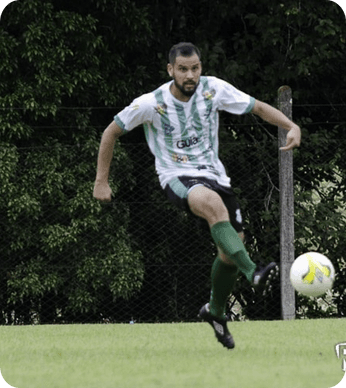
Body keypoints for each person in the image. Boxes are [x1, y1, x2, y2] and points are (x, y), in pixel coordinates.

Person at [93, 42, 301, 349]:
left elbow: (255, 106)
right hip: (176, 177)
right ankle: (253, 272)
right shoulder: (152, 103)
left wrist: (290, 125)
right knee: (213, 207)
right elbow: (111, 131)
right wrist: (101, 181)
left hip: (215, 176)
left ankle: (215, 312)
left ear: (201, 67)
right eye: (183, 69)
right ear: (171, 70)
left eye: (195, 68)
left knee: (230, 250)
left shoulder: (213, 89)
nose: (190, 75)